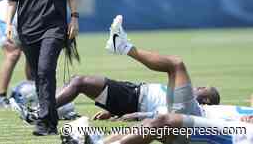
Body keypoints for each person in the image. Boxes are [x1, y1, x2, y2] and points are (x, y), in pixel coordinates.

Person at [61, 15, 253, 144]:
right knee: (157, 122)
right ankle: (99, 141)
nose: (200, 87)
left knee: (165, 113)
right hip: (202, 116)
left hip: (234, 132)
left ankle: (123, 46)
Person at [56, 15, 219, 120]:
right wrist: (114, 111)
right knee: (77, 82)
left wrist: (133, 115)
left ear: (206, 100)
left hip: (133, 99)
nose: (200, 86)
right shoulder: (183, 100)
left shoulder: (190, 109)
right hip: (132, 93)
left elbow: (163, 114)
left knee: (79, 82)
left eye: (205, 88)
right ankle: (52, 108)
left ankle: (44, 109)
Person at [6, 0, 79, 136]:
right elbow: (12, 0)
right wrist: (9, 24)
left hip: (54, 28)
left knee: (46, 70)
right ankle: (51, 121)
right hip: (27, 30)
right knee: (39, 76)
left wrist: (74, 18)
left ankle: (43, 121)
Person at [0, 0, 32, 108]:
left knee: (32, 53)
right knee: (13, 53)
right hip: (2, 17)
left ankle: (33, 90)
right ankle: (1, 97)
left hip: (19, 21)